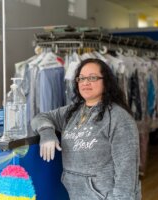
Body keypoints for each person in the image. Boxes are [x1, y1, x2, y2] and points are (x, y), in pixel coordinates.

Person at [31, 58, 141, 200]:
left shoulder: (119, 118)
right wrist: (47, 132)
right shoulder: (72, 112)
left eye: (92, 78)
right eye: (81, 78)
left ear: (106, 81)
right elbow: (39, 118)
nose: (85, 83)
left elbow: (127, 172)